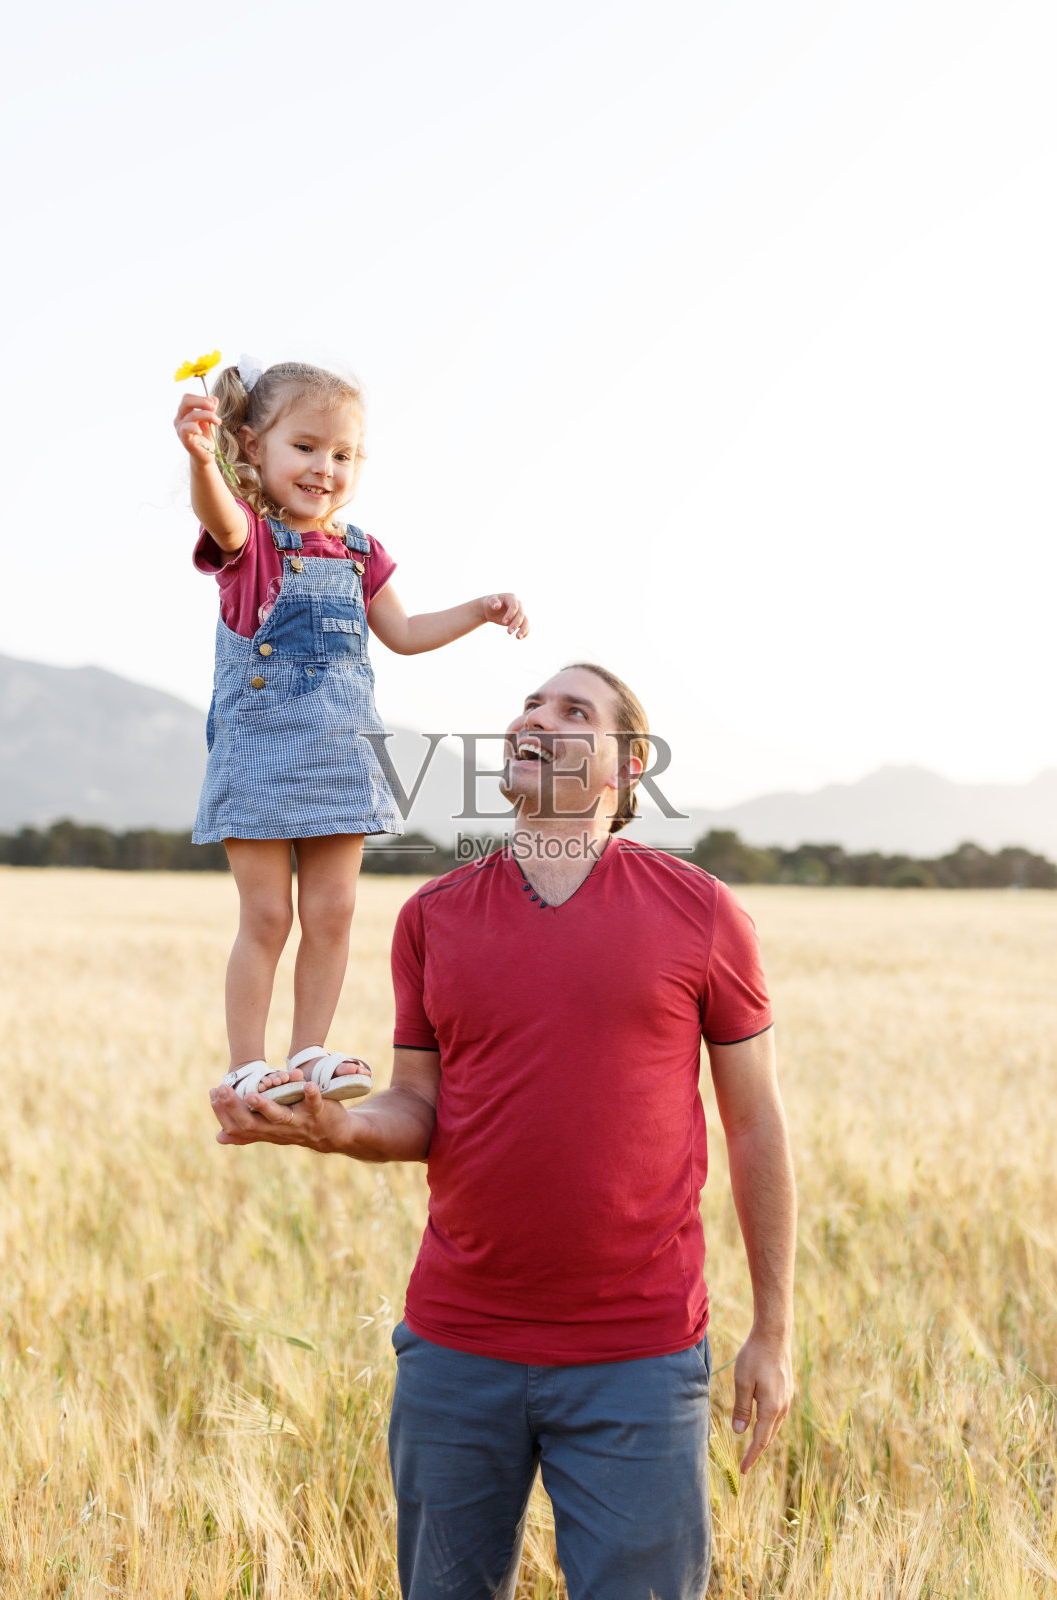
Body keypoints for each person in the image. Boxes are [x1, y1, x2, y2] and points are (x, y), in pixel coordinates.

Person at [210, 661, 796, 1600]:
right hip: (454, 1351)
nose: (536, 717)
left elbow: (756, 1125)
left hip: (637, 1359)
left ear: (627, 765)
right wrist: (332, 1128)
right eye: (529, 703)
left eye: (574, 711)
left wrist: (773, 1329)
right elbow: (419, 1109)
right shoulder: (432, 917)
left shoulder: (701, 912)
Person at [174, 356, 528, 1108]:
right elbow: (219, 514)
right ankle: (247, 1061)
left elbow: (400, 631)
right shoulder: (254, 543)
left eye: (343, 454)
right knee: (266, 915)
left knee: (333, 912)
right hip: (263, 755)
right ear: (252, 447)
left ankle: (309, 1051)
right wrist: (201, 462)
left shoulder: (361, 550)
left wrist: (478, 608)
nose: (323, 467)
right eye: (304, 446)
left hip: (341, 756)